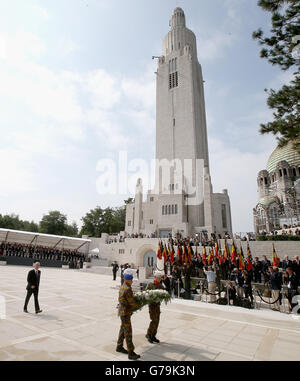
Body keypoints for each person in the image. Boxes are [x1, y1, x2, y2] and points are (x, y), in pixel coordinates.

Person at [116, 269, 141, 360]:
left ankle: (119, 346)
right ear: (127, 279)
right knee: (128, 332)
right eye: (131, 279)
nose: (132, 280)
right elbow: (132, 303)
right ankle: (131, 352)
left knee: (123, 329)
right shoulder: (127, 289)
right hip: (125, 312)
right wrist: (140, 304)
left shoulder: (124, 286)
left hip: (123, 311)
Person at [145, 271, 165, 344]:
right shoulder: (150, 285)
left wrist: (161, 298)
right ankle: (149, 334)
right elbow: (146, 294)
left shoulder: (161, 286)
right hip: (152, 306)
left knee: (157, 321)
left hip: (157, 306)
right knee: (153, 320)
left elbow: (164, 294)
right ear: (155, 278)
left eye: (160, 278)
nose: (159, 279)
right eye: (158, 278)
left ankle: (153, 335)